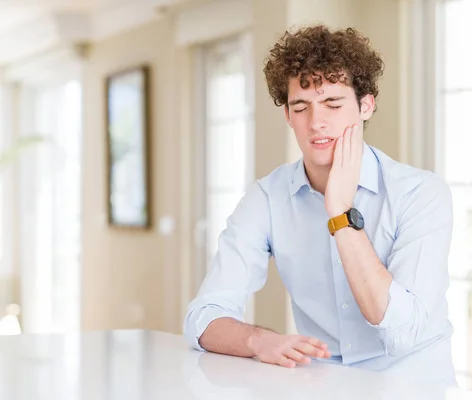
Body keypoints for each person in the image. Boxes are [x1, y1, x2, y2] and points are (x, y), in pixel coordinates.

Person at [184, 24, 456, 386]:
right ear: (288, 117)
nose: (316, 123)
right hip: (323, 385)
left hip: (415, 386)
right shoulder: (267, 198)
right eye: (301, 107)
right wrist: (258, 340)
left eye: (333, 103)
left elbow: (403, 334)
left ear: (365, 105)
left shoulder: (420, 194)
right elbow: (202, 318)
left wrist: (341, 213)